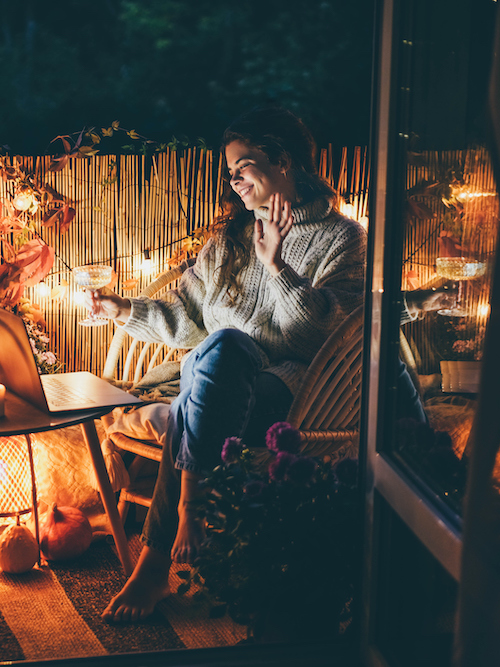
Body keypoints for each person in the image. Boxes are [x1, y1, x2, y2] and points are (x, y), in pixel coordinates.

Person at [89, 106, 368, 623]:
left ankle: (155, 560)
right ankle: (188, 511)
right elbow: (188, 316)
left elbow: (322, 338)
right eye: (230, 172)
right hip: (216, 378)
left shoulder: (342, 238)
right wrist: (124, 309)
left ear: (281, 161)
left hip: (293, 394)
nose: (233, 181)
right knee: (220, 348)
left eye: (243, 167)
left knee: (206, 379)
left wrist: (277, 266)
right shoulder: (228, 241)